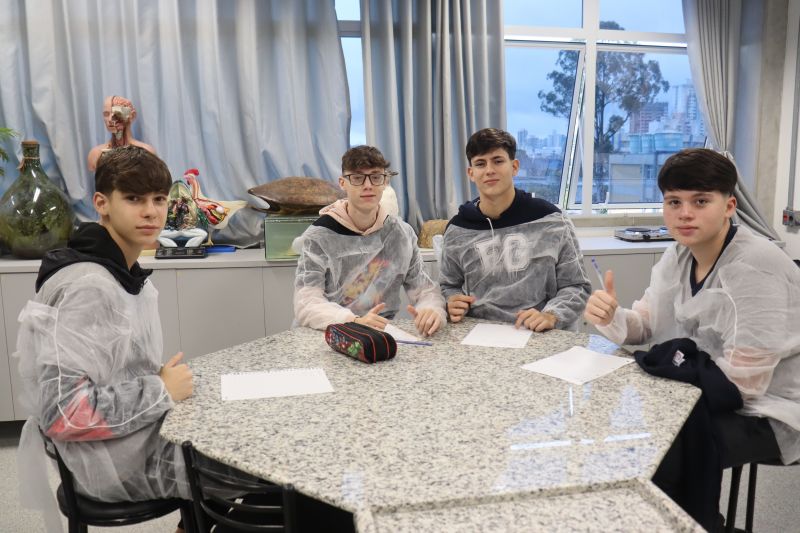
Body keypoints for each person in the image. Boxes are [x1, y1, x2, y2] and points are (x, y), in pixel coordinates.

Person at [584, 148, 800, 527]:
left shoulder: (756, 267)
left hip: (773, 408)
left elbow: (746, 385)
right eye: (674, 202)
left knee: (659, 447)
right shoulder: (678, 256)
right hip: (710, 388)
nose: (685, 213)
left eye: (700, 201)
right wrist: (611, 316)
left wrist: (671, 380)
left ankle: (688, 524)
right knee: (636, 430)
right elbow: (645, 325)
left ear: (729, 206)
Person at [15, 146, 192, 530]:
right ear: (101, 203)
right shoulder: (90, 286)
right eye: (134, 199)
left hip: (130, 438)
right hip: (109, 462)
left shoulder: (121, 272)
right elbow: (65, 413)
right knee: (258, 469)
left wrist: (158, 383)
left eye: (159, 199)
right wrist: (160, 389)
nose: (151, 212)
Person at [439, 128, 590, 331]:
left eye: (498, 161)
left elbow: (577, 285)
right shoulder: (458, 229)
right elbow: (448, 285)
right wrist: (452, 300)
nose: (489, 170)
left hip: (540, 332)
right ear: (471, 173)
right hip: (480, 333)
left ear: (514, 167)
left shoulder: (552, 221)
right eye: (480, 163)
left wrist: (551, 315)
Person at [294, 145, 446, 337]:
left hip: (379, 335)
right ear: (342, 183)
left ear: (385, 181)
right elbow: (307, 302)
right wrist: (353, 321)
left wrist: (431, 310)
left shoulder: (401, 234)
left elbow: (425, 290)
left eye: (375, 177)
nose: (368, 185)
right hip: (328, 332)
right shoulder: (320, 235)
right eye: (357, 178)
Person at [87, 95, 156, 171]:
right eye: (106, 114)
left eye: (117, 113)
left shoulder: (147, 152)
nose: (110, 119)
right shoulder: (95, 154)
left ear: (132, 116)